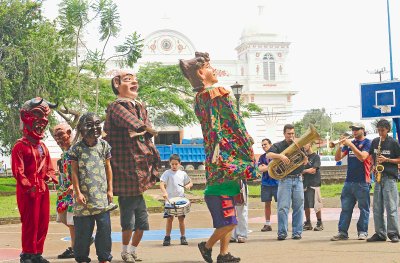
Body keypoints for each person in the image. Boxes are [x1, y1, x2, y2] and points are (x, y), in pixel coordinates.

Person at [180, 52, 256, 263]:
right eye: (210, 67)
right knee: (230, 222)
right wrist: (245, 143)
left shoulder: (200, 98)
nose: (214, 70)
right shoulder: (214, 93)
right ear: (201, 72)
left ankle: (224, 254)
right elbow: (233, 123)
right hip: (224, 157)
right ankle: (207, 246)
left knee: (230, 215)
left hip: (219, 160)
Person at [103, 70, 161, 263]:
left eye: (135, 79)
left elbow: (145, 126)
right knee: (128, 221)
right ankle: (125, 251)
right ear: (117, 84)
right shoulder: (116, 106)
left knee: (142, 223)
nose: (134, 82)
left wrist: (145, 131)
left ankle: (132, 250)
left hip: (139, 174)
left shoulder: (139, 105)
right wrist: (144, 129)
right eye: (128, 80)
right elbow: (135, 123)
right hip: (126, 170)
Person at [11, 98, 58, 263]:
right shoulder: (20, 146)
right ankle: (27, 253)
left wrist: (51, 175)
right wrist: (27, 185)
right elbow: (18, 171)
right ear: (25, 116)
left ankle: (37, 252)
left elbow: (49, 167)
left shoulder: (43, 147)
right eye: (37, 114)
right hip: (28, 191)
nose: (42, 121)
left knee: (43, 221)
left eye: (45, 116)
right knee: (30, 222)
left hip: (42, 190)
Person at [69, 112, 117, 263]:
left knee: (104, 229)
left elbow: (108, 168)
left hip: (101, 197)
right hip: (83, 199)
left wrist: (110, 189)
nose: (94, 128)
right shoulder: (76, 149)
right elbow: (74, 172)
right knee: (83, 232)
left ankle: (104, 258)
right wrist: (77, 192)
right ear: (81, 129)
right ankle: (82, 258)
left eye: (97, 124)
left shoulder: (104, 146)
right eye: (89, 125)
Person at [331, 122, 371, 241]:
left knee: (364, 208)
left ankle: (363, 232)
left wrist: (351, 145)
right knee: (346, 208)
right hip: (349, 181)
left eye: (356, 129)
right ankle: (342, 232)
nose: (354, 131)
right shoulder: (350, 144)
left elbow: (363, 157)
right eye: (353, 129)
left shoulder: (367, 143)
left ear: (362, 130)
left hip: (362, 181)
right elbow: (337, 158)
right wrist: (339, 145)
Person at [266, 124, 306, 240]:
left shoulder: (299, 145)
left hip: (298, 179)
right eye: (289, 134)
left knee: (298, 207)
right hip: (285, 180)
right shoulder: (279, 145)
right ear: (284, 134)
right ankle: (282, 232)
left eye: (293, 133)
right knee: (283, 207)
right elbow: (268, 154)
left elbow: (304, 159)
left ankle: (297, 232)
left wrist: (304, 158)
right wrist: (280, 156)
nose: (291, 136)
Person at [367, 119, 400, 243]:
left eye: (383, 130)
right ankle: (380, 233)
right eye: (378, 130)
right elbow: (371, 156)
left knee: (391, 207)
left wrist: (387, 160)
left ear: (388, 129)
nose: (380, 132)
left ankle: (393, 233)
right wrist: (373, 165)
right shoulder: (375, 141)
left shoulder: (393, 143)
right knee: (377, 207)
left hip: (390, 178)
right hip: (378, 177)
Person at [52, 123, 77, 259]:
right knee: (61, 217)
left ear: (69, 132)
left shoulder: (76, 150)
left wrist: (74, 186)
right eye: (56, 136)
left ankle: (75, 247)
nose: (58, 138)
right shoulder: (64, 153)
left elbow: (83, 170)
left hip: (73, 189)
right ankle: (81, 238)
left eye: (61, 134)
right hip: (63, 190)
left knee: (71, 220)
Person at [160, 154, 193, 246]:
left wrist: (188, 186)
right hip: (170, 201)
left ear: (180, 164)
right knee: (169, 219)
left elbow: (191, 182)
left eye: (176, 164)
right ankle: (167, 237)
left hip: (181, 200)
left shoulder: (183, 173)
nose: (174, 166)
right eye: (172, 164)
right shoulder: (167, 173)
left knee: (181, 219)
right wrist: (164, 192)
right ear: (170, 164)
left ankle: (183, 237)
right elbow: (161, 183)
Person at [302, 142, 324, 231]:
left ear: (309, 144)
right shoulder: (302, 157)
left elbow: (313, 170)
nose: (303, 146)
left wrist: (304, 171)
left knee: (316, 204)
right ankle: (308, 222)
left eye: (304, 144)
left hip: (314, 183)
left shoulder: (316, 157)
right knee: (306, 205)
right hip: (305, 183)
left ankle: (319, 222)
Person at [258, 138, 278, 232]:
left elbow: (278, 166)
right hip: (266, 183)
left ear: (270, 144)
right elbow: (260, 169)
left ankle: (282, 223)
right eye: (262, 145)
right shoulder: (262, 157)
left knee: (281, 204)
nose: (263, 146)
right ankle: (267, 224)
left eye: (265, 144)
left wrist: (266, 167)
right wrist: (271, 166)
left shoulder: (276, 155)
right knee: (267, 204)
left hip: (277, 183)